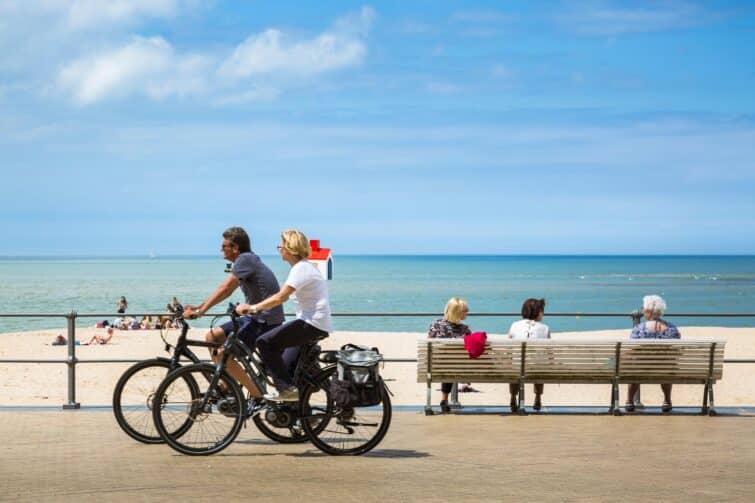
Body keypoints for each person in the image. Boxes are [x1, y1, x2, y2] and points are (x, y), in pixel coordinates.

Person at [184, 227, 285, 414]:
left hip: (264, 321)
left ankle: (257, 396)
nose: (221, 250)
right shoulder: (246, 261)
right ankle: (227, 386)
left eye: (224, 246)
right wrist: (200, 306)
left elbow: (226, 288)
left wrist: (201, 310)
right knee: (211, 337)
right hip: (252, 318)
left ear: (235, 247)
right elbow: (227, 289)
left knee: (223, 354)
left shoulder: (245, 259)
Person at [236, 229, 332, 402]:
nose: (279, 249)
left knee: (264, 342)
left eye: (280, 246)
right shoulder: (303, 267)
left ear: (289, 248)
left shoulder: (301, 268)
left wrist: (253, 308)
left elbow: (281, 297)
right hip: (313, 323)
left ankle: (287, 390)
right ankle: (303, 413)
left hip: (311, 324)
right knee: (286, 368)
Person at [626, 294, 681, 413]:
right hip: (664, 369)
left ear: (648, 311)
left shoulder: (639, 329)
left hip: (641, 369)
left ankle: (629, 401)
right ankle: (667, 400)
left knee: (633, 367)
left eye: (643, 309)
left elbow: (632, 349)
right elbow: (676, 350)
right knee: (667, 365)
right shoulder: (672, 329)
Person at [427, 297, 471, 413]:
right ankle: (445, 400)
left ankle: (444, 400)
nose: (468, 312)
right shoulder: (464, 329)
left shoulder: (435, 324)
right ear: (457, 313)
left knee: (447, 363)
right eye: (465, 311)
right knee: (451, 364)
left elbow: (429, 344)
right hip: (457, 367)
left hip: (434, 367)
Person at [508, 298, 550, 412]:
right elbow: (548, 350)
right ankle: (538, 396)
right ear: (538, 312)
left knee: (516, 364)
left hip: (517, 367)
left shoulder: (514, 325)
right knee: (540, 364)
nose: (543, 313)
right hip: (536, 367)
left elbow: (510, 344)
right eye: (542, 310)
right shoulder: (545, 328)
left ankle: (513, 396)